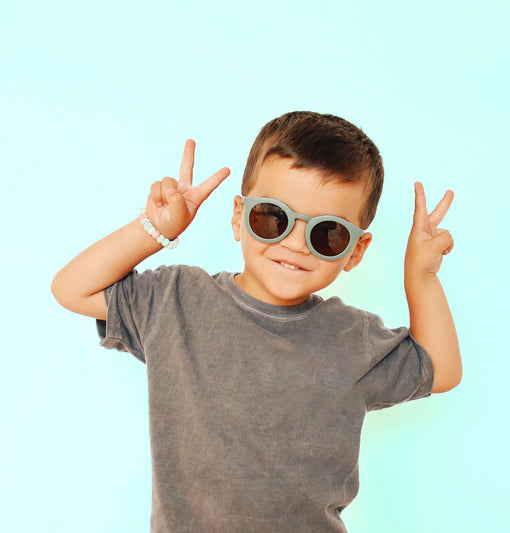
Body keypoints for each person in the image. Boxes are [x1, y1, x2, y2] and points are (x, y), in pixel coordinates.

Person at [51, 111, 462, 533]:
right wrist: (154, 230)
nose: (296, 244)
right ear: (238, 216)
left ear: (355, 251)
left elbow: (442, 370)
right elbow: (72, 289)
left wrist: (421, 276)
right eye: (273, 217)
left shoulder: (352, 338)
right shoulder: (175, 301)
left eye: (328, 233)